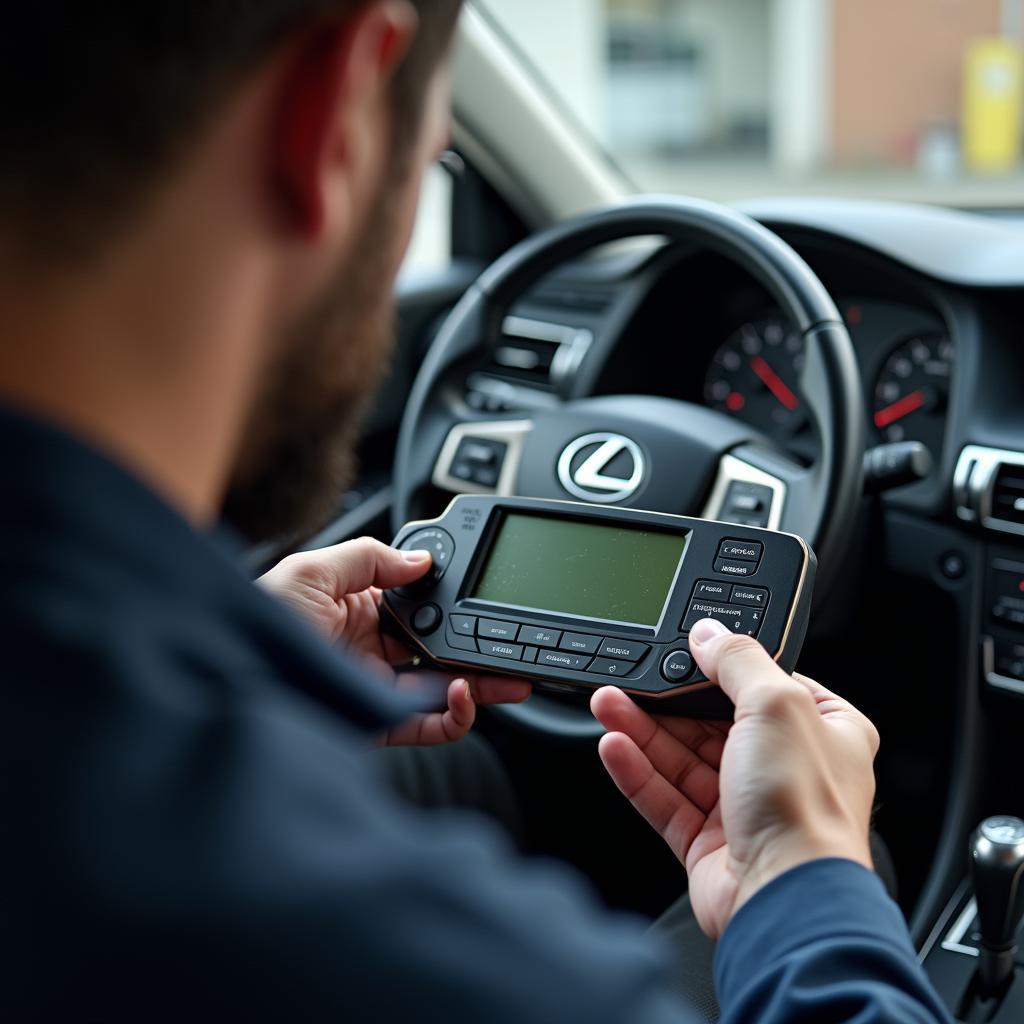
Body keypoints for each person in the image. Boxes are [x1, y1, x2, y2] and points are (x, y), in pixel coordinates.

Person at [0, 3, 953, 1022]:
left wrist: (246, 667)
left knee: (472, 785)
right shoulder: (449, 968)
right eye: (436, 157)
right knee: (866, 854)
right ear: (335, 113)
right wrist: (807, 885)